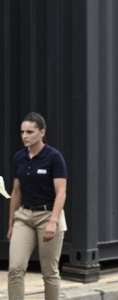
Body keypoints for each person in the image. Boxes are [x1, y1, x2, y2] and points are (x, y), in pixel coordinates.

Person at [7, 112, 68, 300]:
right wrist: (11, 224)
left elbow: (61, 192)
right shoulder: (19, 157)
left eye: (30, 131)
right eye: (22, 132)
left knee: (49, 272)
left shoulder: (54, 157)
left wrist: (53, 221)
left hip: (48, 215)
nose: (25, 135)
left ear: (42, 132)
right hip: (24, 216)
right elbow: (16, 192)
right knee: (15, 269)